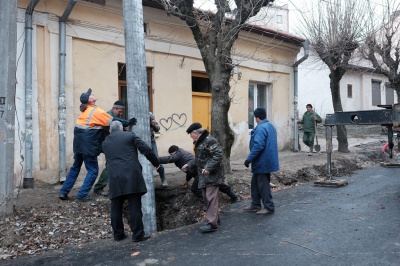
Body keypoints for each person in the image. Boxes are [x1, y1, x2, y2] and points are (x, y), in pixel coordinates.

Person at [59, 89, 136, 202]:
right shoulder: (95, 111)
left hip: (78, 144)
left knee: (75, 167)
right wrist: (128, 122)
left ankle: (63, 191)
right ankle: (82, 195)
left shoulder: (86, 110)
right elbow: (113, 121)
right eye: (91, 94)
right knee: (93, 170)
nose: (93, 94)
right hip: (88, 144)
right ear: (90, 100)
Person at [102, 121, 160, 242]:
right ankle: (138, 234)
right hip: (131, 175)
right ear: (121, 128)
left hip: (114, 177)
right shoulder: (130, 135)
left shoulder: (105, 142)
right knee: (134, 205)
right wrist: (156, 163)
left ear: (110, 130)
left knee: (116, 206)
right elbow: (146, 150)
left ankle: (118, 234)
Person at [159, 145, 241, 203]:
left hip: (202, 172)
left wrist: (156, 159)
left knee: (195, 189)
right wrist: (187, 180)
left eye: (171, 154)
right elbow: (190, 171)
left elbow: (170, 159)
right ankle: (234, 197)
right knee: (218, 184)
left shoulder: (179, 154)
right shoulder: (182, 154)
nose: (171, 156)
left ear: (174, 152)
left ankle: (210, 201)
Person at [182, 123, 224, 233]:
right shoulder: (200, 142)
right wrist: (189, 164)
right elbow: (198, 159)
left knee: (211, 198)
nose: (191, 137)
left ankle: (211, 223)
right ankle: (215, 220)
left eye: (191, 135)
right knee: (206, 197)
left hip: (213, 174)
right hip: (204, 175)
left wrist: (208, 168)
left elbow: (218, 156)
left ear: (196, 133)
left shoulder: (210, 140)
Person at [243, 107, 279, 215]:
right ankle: (255, 204)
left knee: (263, 185)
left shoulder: (260, 128)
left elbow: (258, 145)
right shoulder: (270, 126)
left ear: (257, 118)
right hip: (267, 160)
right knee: (255, 183)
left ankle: (269, 207)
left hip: (262, 161)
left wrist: (249, 159)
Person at [94, 100, 127, 197]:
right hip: (107, 144)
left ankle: (116, 185)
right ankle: (99, 187)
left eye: (122, 112)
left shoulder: (116, 117)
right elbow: (111, 130)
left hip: (111, 143)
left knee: (116, 164)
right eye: (119, 111)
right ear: (115, 108)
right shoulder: (108, 116)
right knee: (110, 165)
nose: (121, 114)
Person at [150, 112, 168, 188]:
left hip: (151, 141)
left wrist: (153, 124)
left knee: (156, 159)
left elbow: (157, 128)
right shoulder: (135, 114)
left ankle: (163, 180)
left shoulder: (150, 115)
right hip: (140, 142)